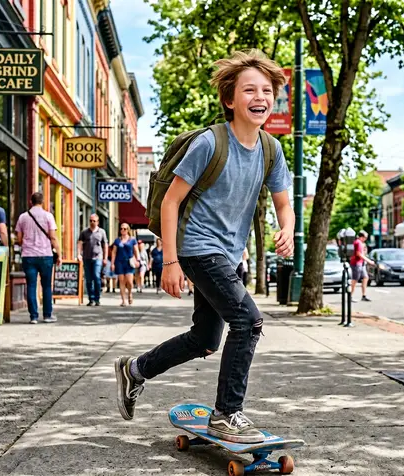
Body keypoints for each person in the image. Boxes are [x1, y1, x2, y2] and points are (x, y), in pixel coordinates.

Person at [114, 50, 294, 444]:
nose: (259, 96)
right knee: (249, 321)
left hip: (229, 254)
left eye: (266, 90)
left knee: (206, 339)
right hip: (196, 247)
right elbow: (172, 201)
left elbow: (284, 202)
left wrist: (289, 229)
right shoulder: (210, 143)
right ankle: (227, 414)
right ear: (230, 99)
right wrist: (169, 261)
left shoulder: (271, 150)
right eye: (249, 89)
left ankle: (136, 370)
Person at [15, 192, 61, 324]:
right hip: (45, 255)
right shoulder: (48, 216)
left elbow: (19, 239)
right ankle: (47, 315)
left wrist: (27, 244)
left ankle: (33, 317)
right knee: (46, 286)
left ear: (31, 201)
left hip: (28, 256)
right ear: (43, 201)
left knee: (31, 285)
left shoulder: (23, 217)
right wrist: (59, 254)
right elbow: (53, 237)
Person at [78, 214, 108, 306]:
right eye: (91, 220)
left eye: (94, 221)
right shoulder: (84, 232)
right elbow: (79, 243)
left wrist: (105, 258)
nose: (92, 222)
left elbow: (105, 245)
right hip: (87, 258)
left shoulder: (101, 232)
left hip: (98, 257)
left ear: (97, 222)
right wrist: (79, 254)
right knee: (88, 279)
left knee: (96, 276)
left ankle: (97, 298)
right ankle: (91, 299)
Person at [111, 223, 140, 306]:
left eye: (124, 229)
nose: (122, 230)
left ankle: (130, 293)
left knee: (130, 281)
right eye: (121, 229)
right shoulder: (117, 240)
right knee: (122, 281)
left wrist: (138, 260)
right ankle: (123, 300)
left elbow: (136, 250)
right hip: (119, 262)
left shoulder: (132, 240)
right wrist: (112, 263)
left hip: (129, 262)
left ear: (128, 230)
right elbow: (114, 252)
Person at [350, 230, 375, 302]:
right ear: (362, 237)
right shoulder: (358, 242)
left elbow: (362, 253)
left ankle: (364, 296)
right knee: (355, 279)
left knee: (365, 277)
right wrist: (369, 261)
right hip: (356, 263)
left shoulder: (360, 243)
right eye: (365, 237)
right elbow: (358, 254)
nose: (366, 239)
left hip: (361, 263)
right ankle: (350, 296)